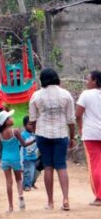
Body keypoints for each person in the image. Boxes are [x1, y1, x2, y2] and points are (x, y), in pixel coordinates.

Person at [29, 68, 75, 211]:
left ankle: (50, 202)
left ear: (42, 80)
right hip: (61, 134)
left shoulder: (36, 96)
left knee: (48, 166)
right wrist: (72, 137)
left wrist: (36, 133)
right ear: (56, 78)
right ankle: (65, 199)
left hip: (43, 134)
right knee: (61, 166)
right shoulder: (66, 95)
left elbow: (33, 119)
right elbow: (71, 120)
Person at [0, 110, 35, 213]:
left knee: (9, 182)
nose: (12, 119)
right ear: (6, 122)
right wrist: (34, 139)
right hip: (16, 159)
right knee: (19, 179)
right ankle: (21, 196)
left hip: (5, 160)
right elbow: (24, 144)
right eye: (9, 118)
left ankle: (11, 206)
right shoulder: (15, 131)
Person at [76, 70, 101, 206]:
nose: (86, 82)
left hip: (91, 134)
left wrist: (80, 128)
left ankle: (99, 196)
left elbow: (78, 114)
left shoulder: (86, 94)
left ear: (95, 81)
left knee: (95, 165)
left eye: (88, 80)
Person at [21, 116, 38, 191]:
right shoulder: (23, 135)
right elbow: (22, 145)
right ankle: (26, 185)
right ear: (25, 126)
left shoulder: (35, 134)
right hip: (27, 157)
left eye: (33, 124)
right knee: (28, 172)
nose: (32, 126)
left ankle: (30, 183)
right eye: (29, 124)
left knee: (32, 171)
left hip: (34, 156)